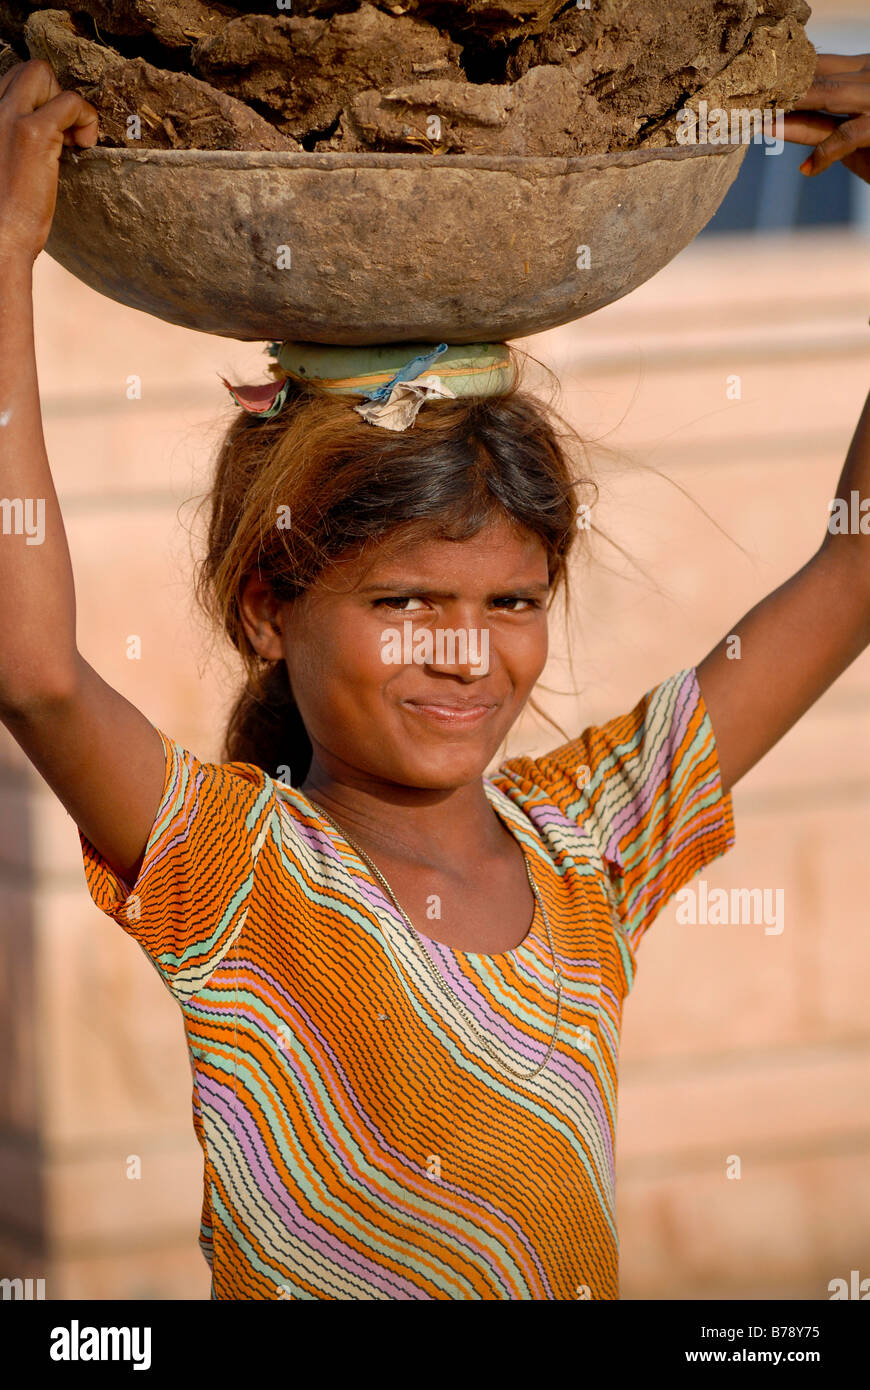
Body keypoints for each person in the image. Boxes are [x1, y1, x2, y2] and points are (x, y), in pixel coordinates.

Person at [0, 52, 868, 1302]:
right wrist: (9, 266)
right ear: (269, 608)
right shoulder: (240, 872)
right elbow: (33, 675)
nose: (466, 652)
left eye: (509, 603)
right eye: (404, 602)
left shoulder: (590, 845)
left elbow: (854, 573)